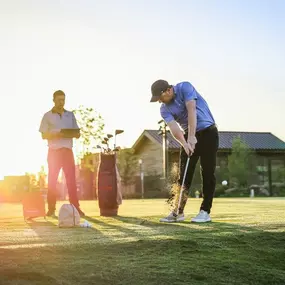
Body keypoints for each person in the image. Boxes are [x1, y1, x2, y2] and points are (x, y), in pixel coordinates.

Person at [150, 80, 219, 223]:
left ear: (168, 90)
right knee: (184, 174)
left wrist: (193, 137)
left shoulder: (185, 87)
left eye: (160, 97)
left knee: (207, 172)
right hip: (188, 135)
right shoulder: (164, 109)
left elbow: (191, 110)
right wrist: (185, 143)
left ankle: (205, 211)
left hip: (208, 132)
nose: (160, 101)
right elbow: (174, 128)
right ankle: (178, 211)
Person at [39, 90, 85, 217]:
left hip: (67, 152)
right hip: (54, 153)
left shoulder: (70, 115)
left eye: (63, 100)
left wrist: (75, 134)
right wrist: (55, 134)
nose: (61, 102)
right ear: (53, 100)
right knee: (52, 180)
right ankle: (51, 209)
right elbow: (43, 135)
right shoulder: (47, 116)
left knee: (71, 181)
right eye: (59, 100)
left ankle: (76, 208)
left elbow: (77, 133)